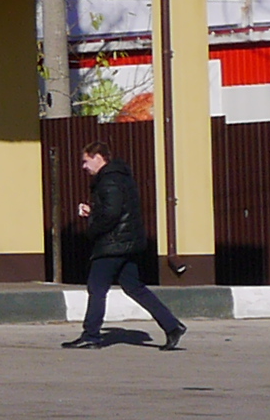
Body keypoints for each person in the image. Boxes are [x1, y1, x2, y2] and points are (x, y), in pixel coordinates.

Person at [64, 142, 183, 352]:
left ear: (98, 157)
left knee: (97, 287)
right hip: (128, 242)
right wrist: (94, 211)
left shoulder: (109, 180)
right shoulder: (121, 177)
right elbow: (116, 209)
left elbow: (111, 214)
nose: (84, 167)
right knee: (134, 287)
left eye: (86, 161)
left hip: (113, 243)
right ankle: (172, 326)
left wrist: (92, 225)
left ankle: (91, 335)